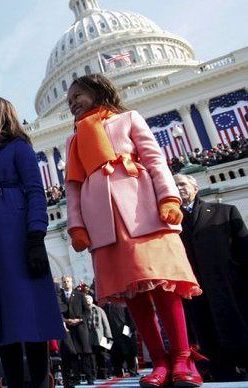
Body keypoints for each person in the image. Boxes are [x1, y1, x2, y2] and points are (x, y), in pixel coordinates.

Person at [64, 74, 203, 387]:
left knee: (163, 285)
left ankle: (182, 356)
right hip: (104, 223)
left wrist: (169, 197)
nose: (73, 102)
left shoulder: (128, 119)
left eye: (78, 95)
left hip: (142, 211)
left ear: (97, 91)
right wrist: (77, 225)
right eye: (70, 99)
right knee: (133, 294)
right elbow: (72, 187)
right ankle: (160, 361)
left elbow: (155, 160)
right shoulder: (73, 140)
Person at [0, 96, 65, 388]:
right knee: (1, 320)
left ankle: (40, 382)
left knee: (29, 314)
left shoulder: (20, 149)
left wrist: (35, 236)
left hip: (17, 240)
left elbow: (35, 191)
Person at [174, 174, 248, 380]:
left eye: (182, 184)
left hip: (230, 287)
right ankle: (217, 369)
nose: (178, 188)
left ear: (195, 187)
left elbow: (243, 250)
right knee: (206, 333)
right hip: (196, 291)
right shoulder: (170, 225)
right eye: (174, 185)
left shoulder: (224, 212)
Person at [58, 275, 94, 386]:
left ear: (72, 282)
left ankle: (90, 377)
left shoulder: (80, 295)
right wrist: (66, 320)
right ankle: (76, 378)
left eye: (68, 281)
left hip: (80, 328)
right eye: (64, 282)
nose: (66, 284)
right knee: (71, 354)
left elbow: (87, 312)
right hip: (67, 329)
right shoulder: (59, 297)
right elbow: (58, 313)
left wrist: (80, 319)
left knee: (85, 353)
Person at [103, 302, 138, 378]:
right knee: (114, 354)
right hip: (111, 333)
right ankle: (117, 371)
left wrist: (130, 330)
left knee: (129, 352)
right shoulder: (104, 306)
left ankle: (132, 370)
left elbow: (130, 317)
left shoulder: (122, 303)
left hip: (124, 332)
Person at [85, 294, 112, 380]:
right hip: (89, 336)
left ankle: (103, 374)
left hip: (100, 336)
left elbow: (105, 323)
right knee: (91, 357)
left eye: (88, 299)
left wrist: (108, 336)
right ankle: (94, 375)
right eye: (86, 299)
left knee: (102, 356)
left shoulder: (99, 310)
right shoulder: (84, 310)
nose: (87, 301)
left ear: (92, 300)